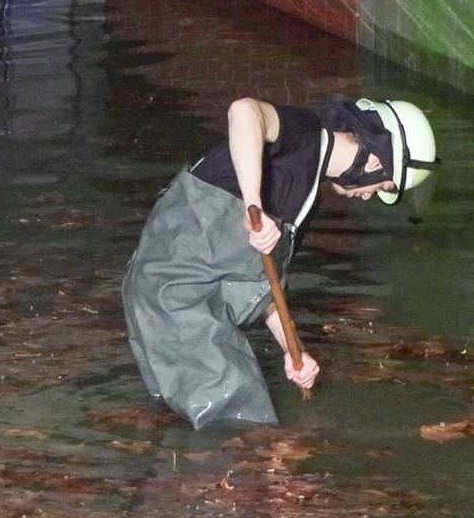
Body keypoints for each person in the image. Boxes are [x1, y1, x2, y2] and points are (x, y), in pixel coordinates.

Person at [122, 96, 439, 429]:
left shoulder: (305, 196)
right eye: (384, 185)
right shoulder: (304, 134)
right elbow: (243, 110)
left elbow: (262, 287)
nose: (371, 194)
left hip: (171, 308)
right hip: (177, 306)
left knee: (187, 424)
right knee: (242, 436)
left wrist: (294, 351)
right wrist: (253, 206)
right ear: (378, 159)